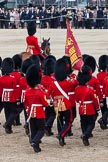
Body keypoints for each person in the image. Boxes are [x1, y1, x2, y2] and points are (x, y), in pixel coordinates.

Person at [47, 58, 77, 146]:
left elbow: (48, 95)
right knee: (69, 121)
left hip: (57, 105)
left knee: (59, 120)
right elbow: (76, 82)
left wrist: (52, 100)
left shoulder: (53, 83)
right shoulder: (68, 83)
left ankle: (61, 138)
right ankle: (61, 135)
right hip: (66, 104)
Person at [24, 64, 49, 153]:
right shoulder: (40, 93)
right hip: (39, 112)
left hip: (30, 113)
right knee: (41, 129)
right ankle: (35, 141)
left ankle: (36, 146)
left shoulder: (27, 92)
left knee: (34, 129)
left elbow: (26, 103)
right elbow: (45, 103)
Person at [75, 65, 100, 146]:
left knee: (83, 122)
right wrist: (98, 108)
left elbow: (77, 100)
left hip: (81, 108)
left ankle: (84, 133)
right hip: (90, 108)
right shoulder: (90, 90)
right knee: (91, 123)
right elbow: (95, 100)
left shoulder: (77, 89)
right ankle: (86, 135)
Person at [0, 57, 18, 134]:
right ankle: (8, 124)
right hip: (11, 96)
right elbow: (15, 89)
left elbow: (0, 89)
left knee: (7, 112)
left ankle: (9, 128)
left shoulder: (1, 78)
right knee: (14, 112)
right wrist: (16, 97)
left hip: (4, 96)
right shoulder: (13, 78)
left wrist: (1, 96)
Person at [41, 55, 56, 136]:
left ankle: (47, 127)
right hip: (51, 98)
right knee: (52, 114)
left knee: (46, 114)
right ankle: (48, 126)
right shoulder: (53, 79)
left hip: (43, 97)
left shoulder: (41, 78)